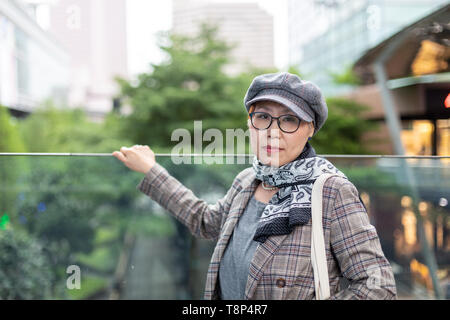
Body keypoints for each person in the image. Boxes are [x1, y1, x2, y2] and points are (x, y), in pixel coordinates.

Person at [112, 72, 397, 300]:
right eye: (262, 117)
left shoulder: (331, 191)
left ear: (310, 129)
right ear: (249, 122)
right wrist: (151, 170)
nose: (273, 132)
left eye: (289, 120)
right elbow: (206, 221)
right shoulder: (248, 180)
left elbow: (378, 286)